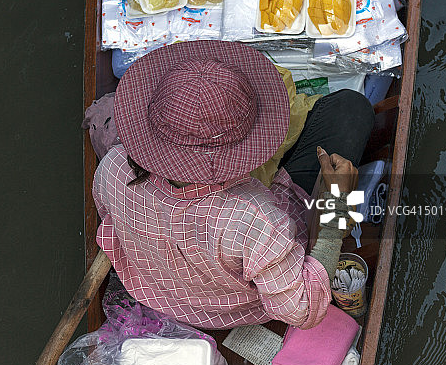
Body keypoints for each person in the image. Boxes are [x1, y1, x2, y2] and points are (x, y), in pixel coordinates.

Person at [92, 40, 375, 330]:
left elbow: (109, 217)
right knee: (350, 109)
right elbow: (303, 311)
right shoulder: (255, 218)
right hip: (237, 307)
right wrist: (335, 209)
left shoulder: (113, 166)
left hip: (160, 291)